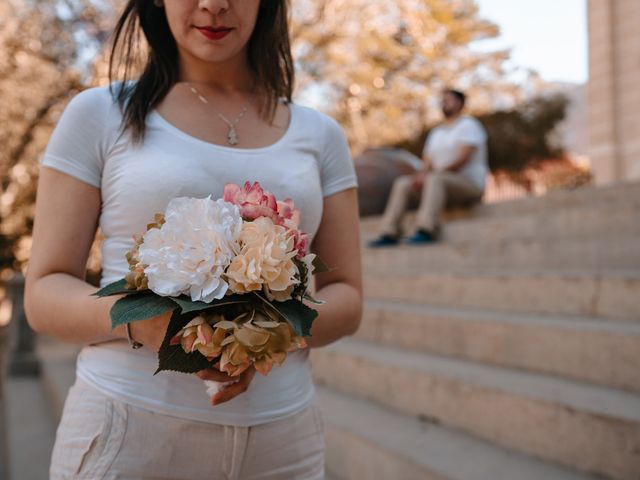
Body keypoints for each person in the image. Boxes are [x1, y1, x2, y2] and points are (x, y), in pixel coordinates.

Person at [24, 1, 362, 478]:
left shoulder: (321, 134)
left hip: (283, 442)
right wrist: (144, 323)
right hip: (129, 431)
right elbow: (43, 292)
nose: (214, 5)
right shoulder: (99, 114)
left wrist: (260, 335)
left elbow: (347, 294)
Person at [368, 89, 488, 247]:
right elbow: (427, 163)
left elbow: (463, 159)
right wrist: (420, 176)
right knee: (403, 183)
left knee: (434, 178)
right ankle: (389, 232)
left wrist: (430, 175)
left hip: (469, 184)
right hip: (439, 185)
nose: (443, 103)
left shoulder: (469, 125)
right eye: (442, 100)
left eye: (448, 100)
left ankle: (426, 229)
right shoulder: (437, 133)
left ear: (460, 103)